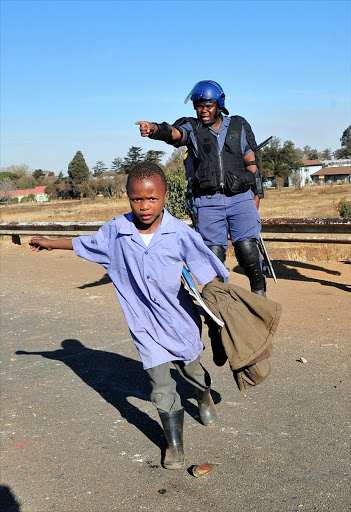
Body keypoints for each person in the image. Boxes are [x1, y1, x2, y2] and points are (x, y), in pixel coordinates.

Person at [29, 162, 229, 471]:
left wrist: (219, 300)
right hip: (143, 323)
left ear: (164, 197)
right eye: (137, 199)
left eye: (152, 199)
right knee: (160, 386)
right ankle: (174, 444)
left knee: (193, 371)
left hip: (179, 320)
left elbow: (206, 269)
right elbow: (86, 244)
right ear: (128, 197)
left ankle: (203, 396)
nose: (145, 206)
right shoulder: (117, 231)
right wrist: (51, 243)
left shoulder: (178, 233)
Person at [136, 80, 266, 296]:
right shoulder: (192, 128)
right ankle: (221, 301)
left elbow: (252, 164)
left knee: (247, 249)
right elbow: (175, 134)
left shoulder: (238, 126)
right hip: (208, 202)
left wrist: (257, 196)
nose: (203, 110)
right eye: (199, 106)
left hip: (241, 198)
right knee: (214, 254)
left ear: (219, 104)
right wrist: (155, 129)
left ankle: (259, 294)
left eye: (208, 105)